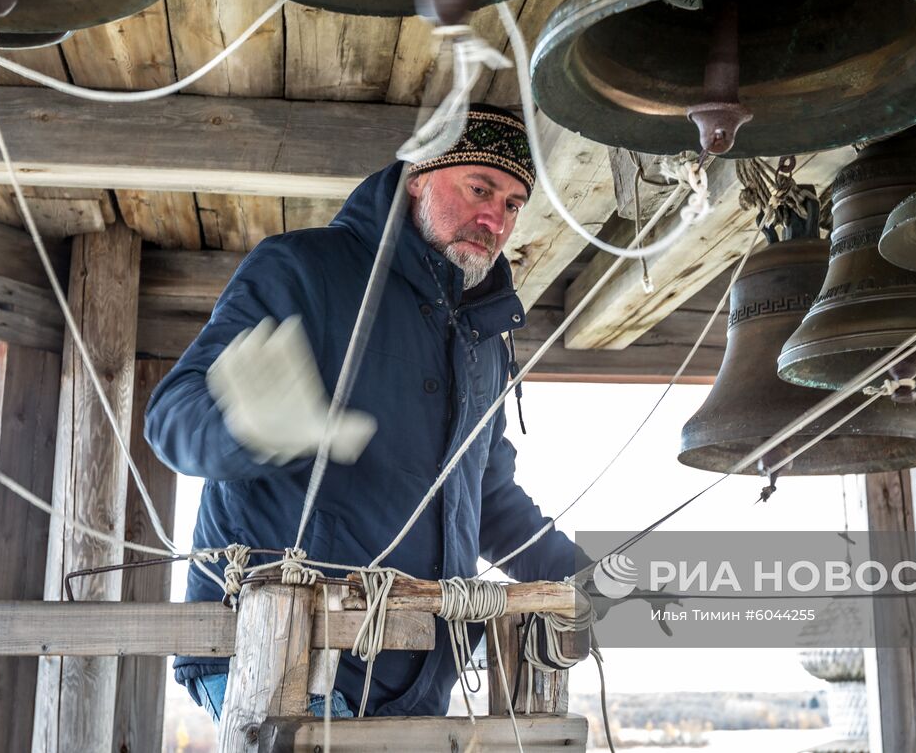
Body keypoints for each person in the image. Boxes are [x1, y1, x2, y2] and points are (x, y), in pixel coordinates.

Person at [144, 104, 590, 720]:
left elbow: (484, 498)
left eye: (513, 204)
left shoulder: (483, 337)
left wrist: (590, 576)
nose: (493, 218)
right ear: (418, 178)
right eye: (479, 188)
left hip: (417, 677)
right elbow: (172, 415)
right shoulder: (305, 270)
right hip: (284, 657)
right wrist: (250, 426)